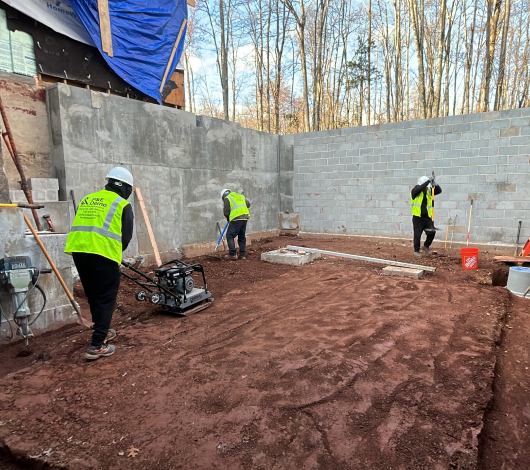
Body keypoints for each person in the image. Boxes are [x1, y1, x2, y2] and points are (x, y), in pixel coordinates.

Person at [65, 167, 134, 360]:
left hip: (79, 252)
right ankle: (97, 345)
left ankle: (101, 330)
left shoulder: (88, 199)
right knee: (105, 298)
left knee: (94, 295)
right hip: (102, 255)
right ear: (126, 187)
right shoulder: (121, 204)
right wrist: (114, 253)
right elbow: (126, 237)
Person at [411, 176, 442, 257]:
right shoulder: (415, 191)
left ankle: (426, 246)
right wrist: (428, 181)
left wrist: (434, 183)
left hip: (427, 217)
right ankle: (416, 250)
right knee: (417, 234)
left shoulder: (429, 191)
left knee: (432, 232)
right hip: (418, 217)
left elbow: (439, 191)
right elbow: (419, 188)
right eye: (425, 187)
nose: (426, 189)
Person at [221, 188, 250, 260]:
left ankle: (233, 254)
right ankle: (243, 254)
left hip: (236, 218)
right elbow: (248, 204)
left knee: (229, 235)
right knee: (241, 236)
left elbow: (226, 212)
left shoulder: (227, 198)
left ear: (223, 196)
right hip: (245, 217)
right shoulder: (239, 196)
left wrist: (228, 218)